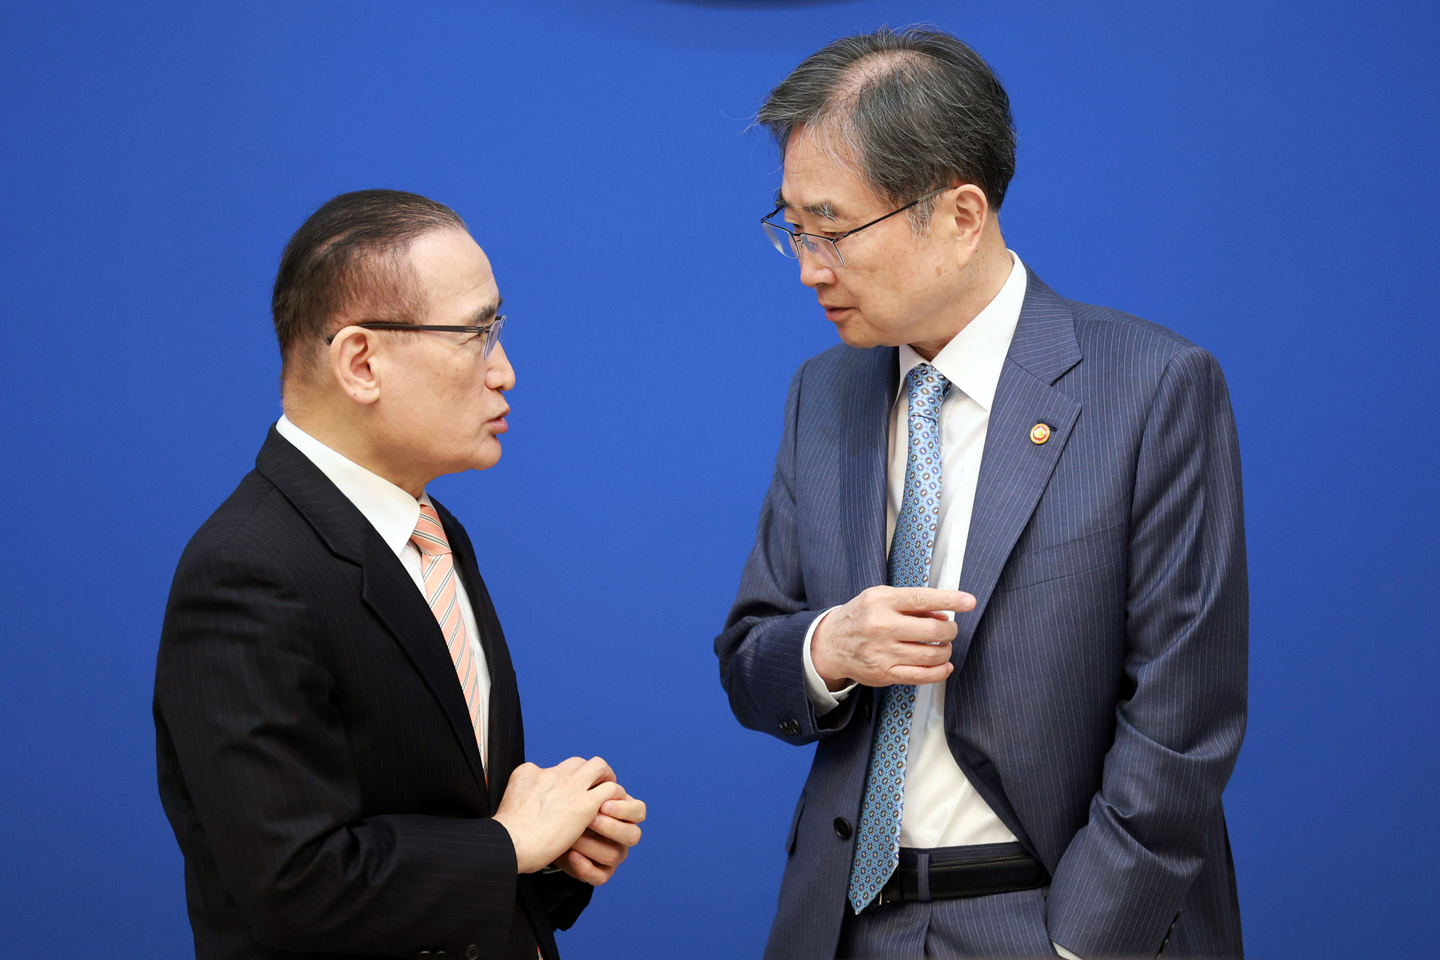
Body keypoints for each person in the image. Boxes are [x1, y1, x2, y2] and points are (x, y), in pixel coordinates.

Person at [716, 27, 1246, 960]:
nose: (808, 266)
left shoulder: (1150, 387)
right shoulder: (823, 395)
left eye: (833, 230)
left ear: (961, 215)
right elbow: (750, 660)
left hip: (1050, 920)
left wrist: (1079, 943)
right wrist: (829, 646)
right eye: (792, 227)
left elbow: (1182, 717)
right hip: (845, 925)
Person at [154, 189, 645, 960]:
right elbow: (296, 887)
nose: (505, 372)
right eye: (476, 335)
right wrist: (510, 844)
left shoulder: (434, 532)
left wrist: (553, 853)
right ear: (360, 362)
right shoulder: (245, 572)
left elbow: (452, 823)